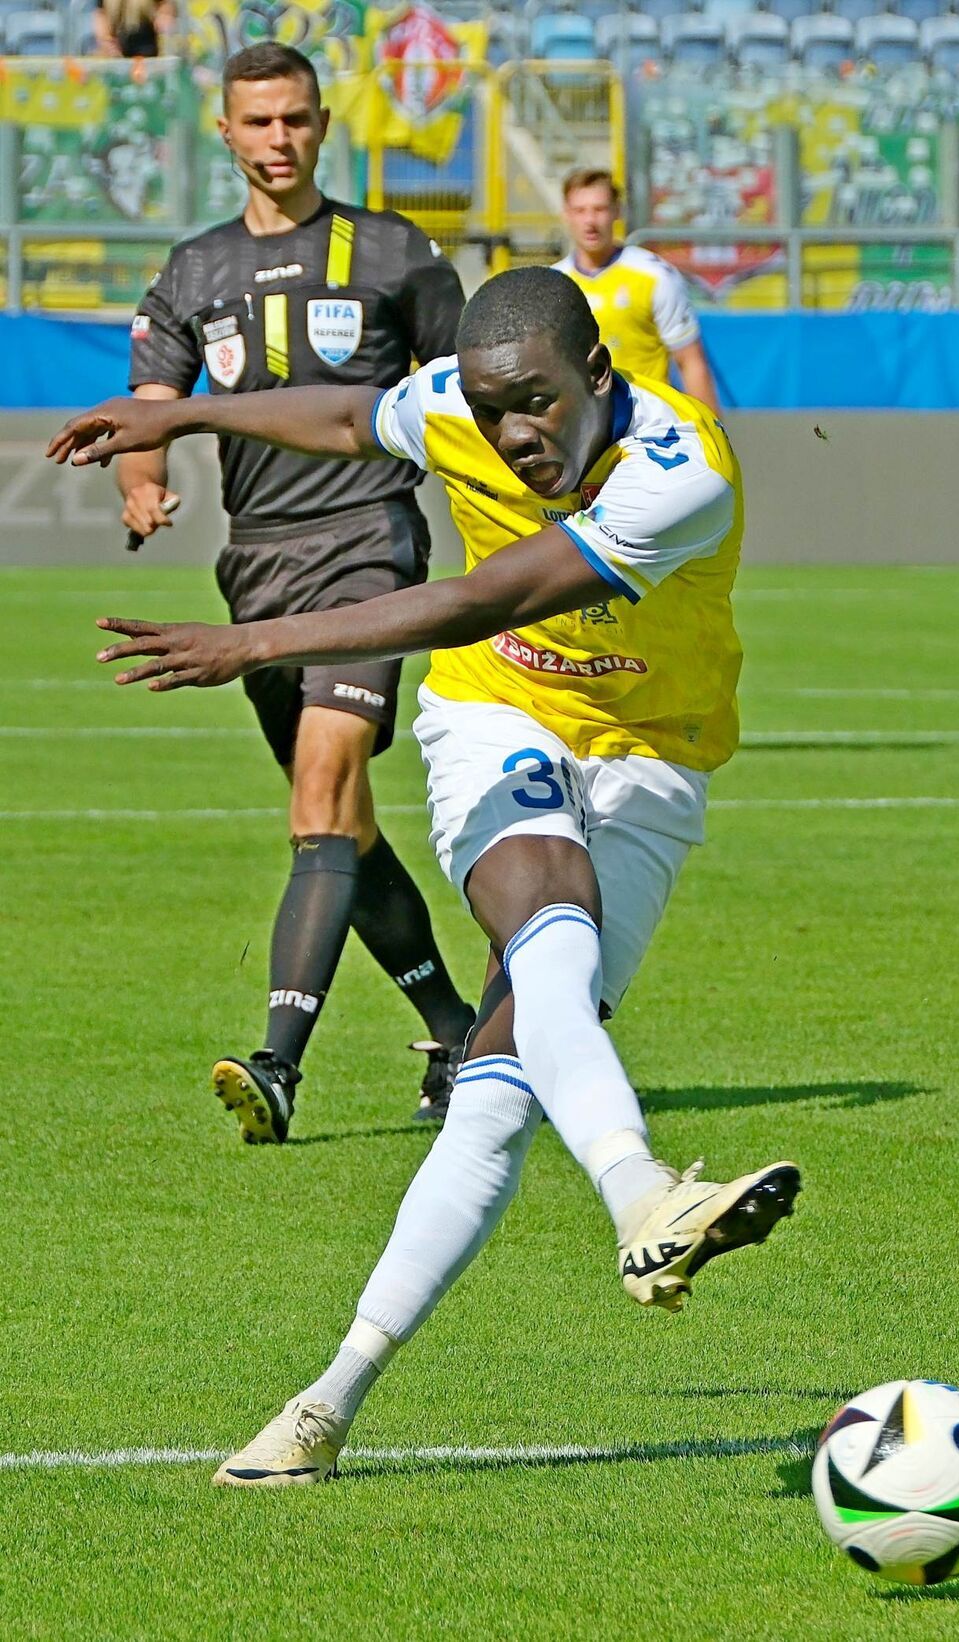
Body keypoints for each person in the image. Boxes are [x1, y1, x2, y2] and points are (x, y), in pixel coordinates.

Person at [49, 264, 801, 1487]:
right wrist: (181, 413)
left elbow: (479, 593)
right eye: (497, 410)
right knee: (547, 907)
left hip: (655, 754)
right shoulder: (459, 396)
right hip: (498, 715)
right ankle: (642, 1195)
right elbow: (353, 414)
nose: (516, 436)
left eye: (542, 407)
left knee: (501, 1091)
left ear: (598, 376)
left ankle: (324, 1404)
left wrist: (258, 641)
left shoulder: (683, 469)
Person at [121, 41, 475, 1142]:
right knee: (345, 825)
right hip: (259, 564)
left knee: (321, 787)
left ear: (325, 126)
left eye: (297, 121)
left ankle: (278, 1064)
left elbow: (467, 392)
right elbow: (148, 408)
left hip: (367, 543)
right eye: (259, 123)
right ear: (223, 134)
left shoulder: (394, 252)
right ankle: (461, 1032)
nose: (280, 141)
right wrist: (143, 487)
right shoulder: (193, 272)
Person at [554, 167, 721, 412]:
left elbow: (690, 362)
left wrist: (713, 436)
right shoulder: (555, 283)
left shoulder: (654, 276)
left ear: (616, 212)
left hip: (645, 424)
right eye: (580, 211)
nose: (590, 221)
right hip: (580, 426)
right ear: (566, 214)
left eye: (599, 209)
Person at [93, 0, 175, 58]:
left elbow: (165, 5)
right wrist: (105, 39)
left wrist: (163, 15)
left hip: (146, 47)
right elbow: (100, 12)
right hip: (118, 49)